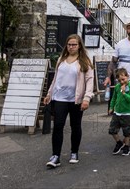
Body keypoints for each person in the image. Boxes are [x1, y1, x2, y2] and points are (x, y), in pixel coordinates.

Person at [45, 34, 94, 168]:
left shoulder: (85, 61)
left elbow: (90, 81)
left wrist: (86, 98)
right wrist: (49, 93)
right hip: (59, 98)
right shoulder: (61, 59)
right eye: (69, 44)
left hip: (76, 99)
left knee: (75, 126)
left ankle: (74, 152)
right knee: (58, 126)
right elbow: (56, 78)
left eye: (74, 44)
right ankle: (56, 156)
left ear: (79, 46)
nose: (71, 47)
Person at [108, 68, 130, 156]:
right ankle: (119, 143)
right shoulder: (117, 87)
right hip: (117, 112)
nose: (121, 82)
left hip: (127, 113)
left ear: (127, 77)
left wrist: (124, 93)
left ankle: (126, 147)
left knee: (127, 132)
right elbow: (114, 98)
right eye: (119, 80)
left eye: (123, 79)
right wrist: (111, 107)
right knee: (112, 130)